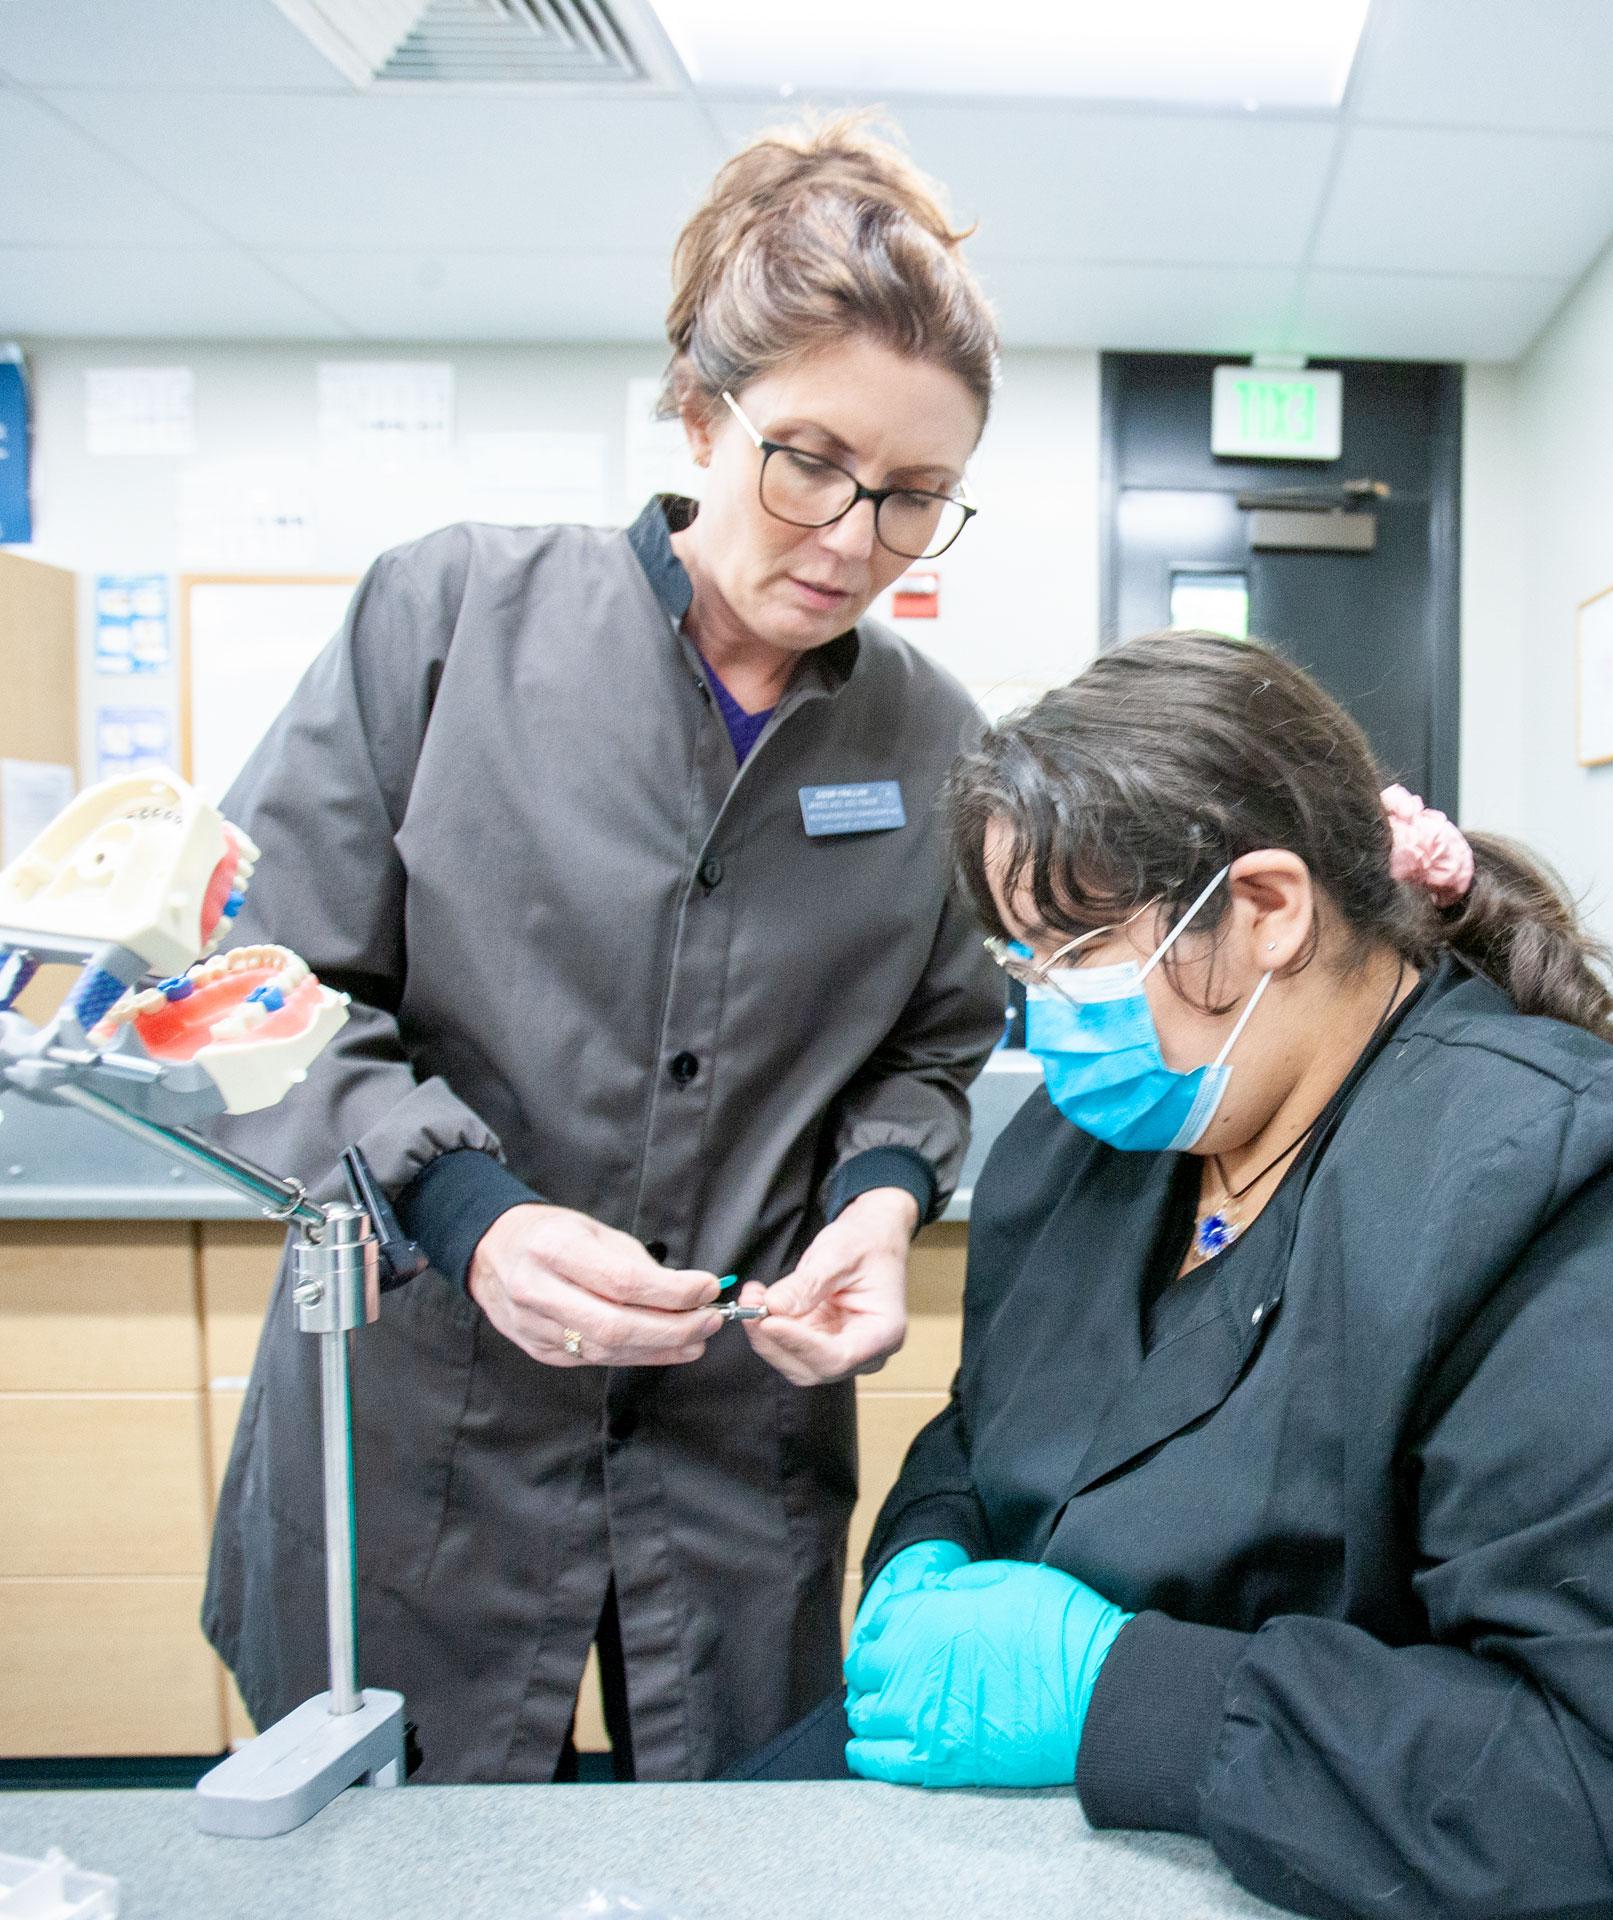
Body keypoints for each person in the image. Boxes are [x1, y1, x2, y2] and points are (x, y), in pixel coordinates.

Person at [761, 632, 1613, 1920]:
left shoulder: (1578, 1196)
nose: (1049, 1010)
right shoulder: (1096, 1147)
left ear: (1269, 909)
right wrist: (929, 1553)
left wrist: (1121, 1695)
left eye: (1077, 952)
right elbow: (991, 1425)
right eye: (1023, 965)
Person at [201, 114, 1007, 1783]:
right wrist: (464, 1210)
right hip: (428, 1401)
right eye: (809, 460)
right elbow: (265, 984)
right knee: (397, 1856)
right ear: (703, 414)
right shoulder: (446, 622)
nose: (852, 538)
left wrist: (882, 1198)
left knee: (735, 1846)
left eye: (915, 497)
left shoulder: (930, 740)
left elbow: (935, 1045)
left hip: (732, 1429)